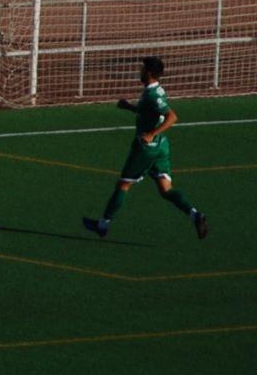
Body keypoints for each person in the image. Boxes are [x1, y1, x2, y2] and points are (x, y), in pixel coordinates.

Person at [83, 56, 209, 242]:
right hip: (161, 148)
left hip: (146, 148)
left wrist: (151, 134)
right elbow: (151, 112)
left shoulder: (152, 94)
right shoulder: (155, 90)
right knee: (166, 189)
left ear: (149, 72)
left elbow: (172, 117)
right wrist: (129, 108)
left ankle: (103, 225)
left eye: (142, 68)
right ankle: (195, 215)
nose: (139, 71)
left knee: (124, 184)